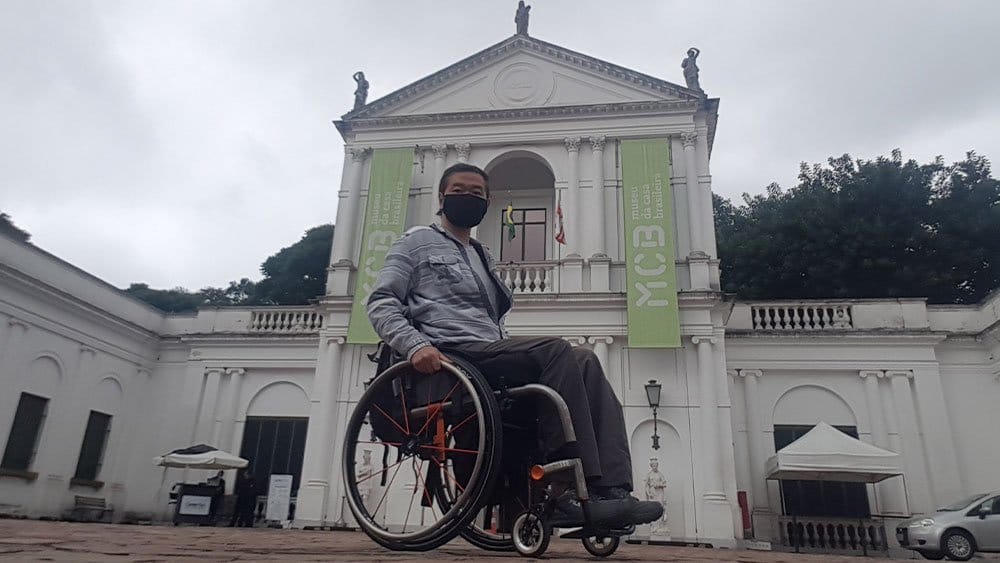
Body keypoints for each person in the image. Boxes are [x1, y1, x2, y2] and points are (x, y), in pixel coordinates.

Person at [366, 162, 663, 528]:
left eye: (477, 193)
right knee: (554, 349)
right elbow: (380, 303)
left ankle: (612, 491)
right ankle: (566, 487)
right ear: (441, 197)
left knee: (584, 358)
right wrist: (414, 346)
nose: (468, 197)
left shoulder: (481, 255)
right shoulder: (414, 242)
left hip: (489, 353)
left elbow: (493, 322)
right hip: (450, 351)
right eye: (459, 190)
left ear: (487, 202)